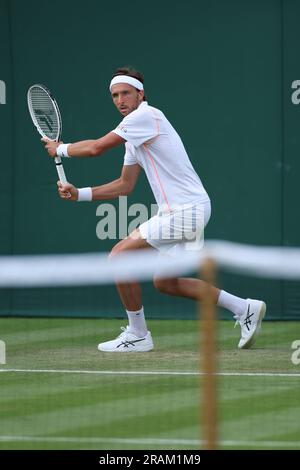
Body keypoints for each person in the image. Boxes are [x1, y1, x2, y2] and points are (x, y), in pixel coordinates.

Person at [42, 66, 266, 353]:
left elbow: (97, 148)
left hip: (185, 211)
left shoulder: (145, 116)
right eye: (114, 95)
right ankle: (245, 308)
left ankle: (138, 334)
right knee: (166, 282)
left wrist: (61, 149)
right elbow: (125, 185)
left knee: (119, 257)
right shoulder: (134, 132)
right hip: (188, 210)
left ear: (140, 94)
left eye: (125, 93)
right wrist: (80, 194)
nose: (120, 100)